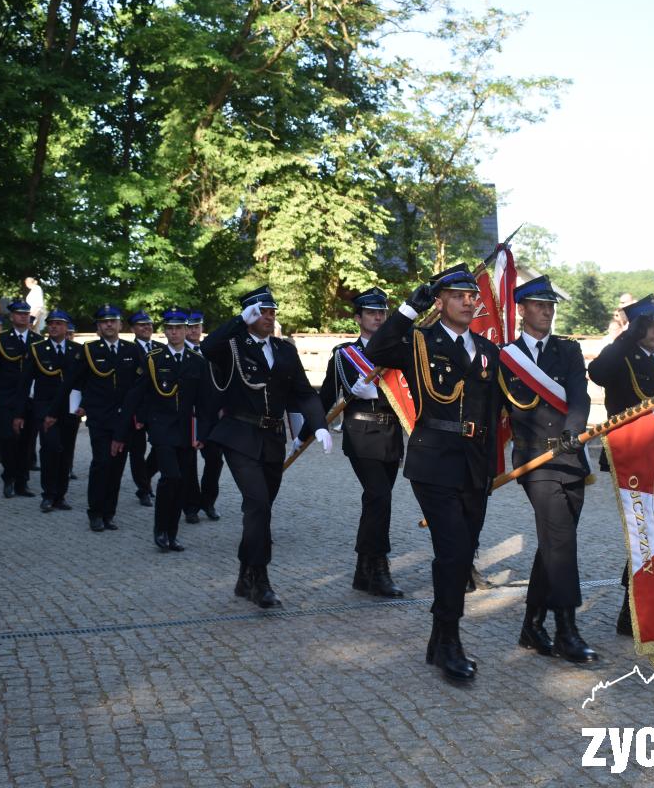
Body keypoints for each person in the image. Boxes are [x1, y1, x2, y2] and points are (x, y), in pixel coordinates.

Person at [366, 265, 502, 682]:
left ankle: (440, 637)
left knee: (464, 552)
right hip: (434, 457)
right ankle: (450, 641)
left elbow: (495, 409)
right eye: (457, 295)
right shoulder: (419, 340)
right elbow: (377, 350)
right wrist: (410, 308)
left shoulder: (487, 349)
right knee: (454, 549)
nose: (467, 301)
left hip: (475, 462)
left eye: (471, 295)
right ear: (440, 302)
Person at [202, 287, 331, 608]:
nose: (269, 317)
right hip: (239, 434)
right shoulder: (232, 345)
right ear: (249, 316)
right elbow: (206, 347)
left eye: (273, 312)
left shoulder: (284, 349)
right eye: (262, 312)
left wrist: (319, 425)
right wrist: (236, 321)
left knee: (260, 509)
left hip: (272, 439)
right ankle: (260, 580)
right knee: (257, 503)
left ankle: (245, 575)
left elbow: (303, 393)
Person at [498, 276, 598, 664]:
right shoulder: (506, 356)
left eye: (550, 305)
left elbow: (579, 394)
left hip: (571, 457)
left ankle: (531, 625)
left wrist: (575, 428)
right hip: (534, 461)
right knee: (561, 539)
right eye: (539, 305)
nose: (547, 311)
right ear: (521, 310)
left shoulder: (568, 351)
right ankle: (566, 630)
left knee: (554, 542)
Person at [587, 295, 654, 638]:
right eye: (651, 325)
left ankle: (642, 605)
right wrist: (627, 335)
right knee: (643, 529)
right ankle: (632, 609)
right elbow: (597, 373)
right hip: (627, 456)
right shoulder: (621, 357)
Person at [314, 288, 405, 598]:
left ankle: (361, 571)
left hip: (392, 436)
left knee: (375, 501)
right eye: (371, 313)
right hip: (362, 435)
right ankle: (379, 569)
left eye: (382, 312)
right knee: (379, 497)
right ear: (358, 318)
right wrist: (313, 427)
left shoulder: (396, 352)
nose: (378, 317)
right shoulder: (345, 355)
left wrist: (381, 395)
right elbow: (326, 395)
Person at [115, 308, 213, 550]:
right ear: (165, 331)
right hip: (161, 428)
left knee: (181, 482)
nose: (175, 332)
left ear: (185, 330)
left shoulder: (197, 361)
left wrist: (202, 434)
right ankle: (160, 530)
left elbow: (204, 402)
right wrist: (120, 432)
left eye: (179, 328)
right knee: (170, 477)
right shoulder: (153, 358)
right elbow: (135, 396)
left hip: (186, 430)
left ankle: (172, 533)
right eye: (170, 328)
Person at [53, 305, 145, 531]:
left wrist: (141, 415)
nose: (109, 325)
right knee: (102, 463)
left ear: (120, 325)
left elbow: (141, 386)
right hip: (100, 418)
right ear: (98, 327)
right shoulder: (89, 350)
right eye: (104, 322)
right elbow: (72, 382)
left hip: (124, 419)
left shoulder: (131, 350)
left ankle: (109, 513)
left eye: (113, 321)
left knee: (116, 467)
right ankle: (95, 512)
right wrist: (56, 411)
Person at [29, 310, 81, 513]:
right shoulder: (38, 349)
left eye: (59, 323)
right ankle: (48, 494)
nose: (54, 326)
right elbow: (26, 380)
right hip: (45, 407)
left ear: (67, 327)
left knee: (66, 450)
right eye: (51, 323)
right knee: (50, 448)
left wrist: (83, 404)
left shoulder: (77, 350)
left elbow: (83, 381)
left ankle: (61, 494)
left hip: (70, 408)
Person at [0, 299, 43, 498]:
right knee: (8, 439)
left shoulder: (38, 340)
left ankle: (22, 481)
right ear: (12, 317)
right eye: (19, 313)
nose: (23, 316)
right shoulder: (1, 339)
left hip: (31, 399)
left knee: (28, 442)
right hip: (7, 398)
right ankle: (9, 478)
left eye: (26, 313)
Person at [181, 309, 223, 522]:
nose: (193, 330)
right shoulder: (180, 352)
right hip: (188, 417)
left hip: (211, 416)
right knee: (188, 464)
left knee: (215, 461)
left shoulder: (211, 351)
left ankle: (208, 501)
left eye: (196, 326)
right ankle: (190, 506)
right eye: (189, 327)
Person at [126, 310, 160, 506]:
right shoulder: (128, 351)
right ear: (132, 329)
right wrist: (135, 412)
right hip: (138, 411)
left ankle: (145, 477)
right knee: (137, 451)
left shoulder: (160, 348)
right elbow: (129, 386)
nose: (147, 327)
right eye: (141, 325)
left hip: (158, 409)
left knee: (160, 447)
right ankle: (144, 489)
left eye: (148, 324)